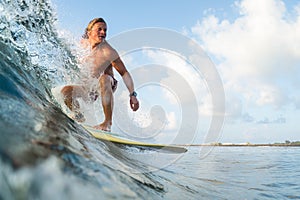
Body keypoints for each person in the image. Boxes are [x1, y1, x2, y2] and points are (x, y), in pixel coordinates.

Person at [61, 17, 139, 131]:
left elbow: (125, 73)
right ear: (89, 32)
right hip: (89, 88)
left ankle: (107, 123)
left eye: (105, 30)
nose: (103, 33)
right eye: (99, 29)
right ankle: (79, 116)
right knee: (66, 92)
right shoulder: (83, 44)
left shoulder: (108, 52)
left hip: (108, 83)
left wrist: (133, 95)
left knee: (104, 78)